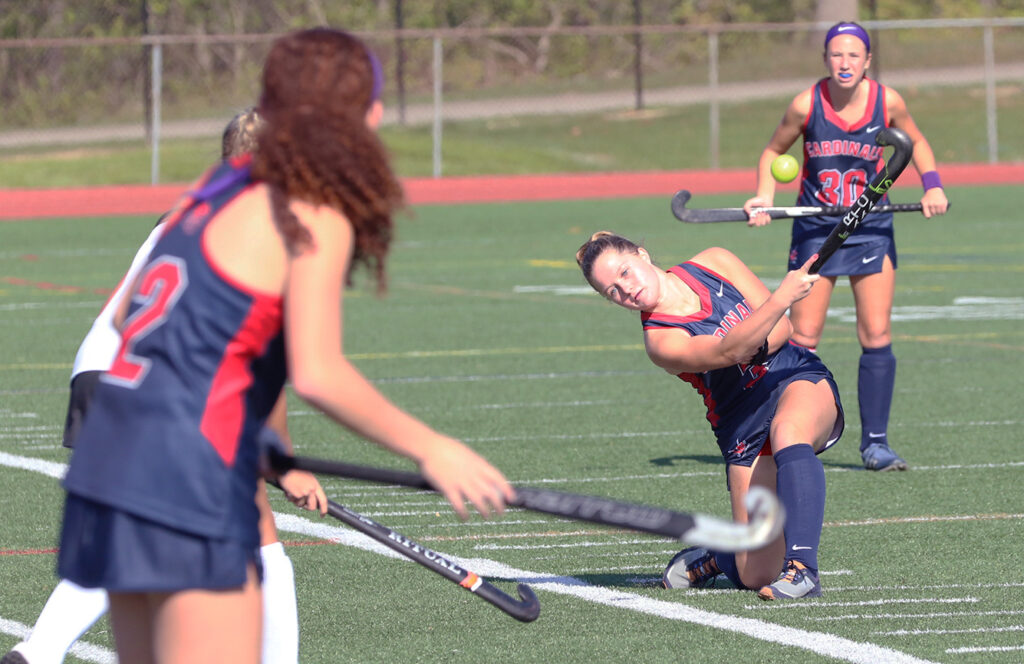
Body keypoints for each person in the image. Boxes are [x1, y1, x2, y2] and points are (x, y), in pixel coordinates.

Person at [53, 28, 515, 664]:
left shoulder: (201, 196)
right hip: (185, 473)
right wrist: (432, 448)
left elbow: (167, 336)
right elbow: (317, 372)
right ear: (369, 116)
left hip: (109, 464)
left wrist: (270, 451)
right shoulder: (307, 210)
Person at [2, 109, 324, 664]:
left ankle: (39, 652)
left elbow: (133, 310)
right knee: (257, 525)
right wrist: (281, 459)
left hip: (102, 366)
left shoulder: (191, 208)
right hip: (161, 383)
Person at [575, 231, 845, 600]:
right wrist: (779, 300)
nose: (627, 290)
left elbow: (784, 328)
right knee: (756, 574)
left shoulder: (715, 260)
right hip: (742, 423)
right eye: (612, 292)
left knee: (788, 431)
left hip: (792, 376)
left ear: (641, 253)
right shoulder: (660, 342)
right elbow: (725, 352)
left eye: (625, 272)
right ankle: (723, 557)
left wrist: (760, 331)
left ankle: (803, 571)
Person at [742, 21, 949, 472]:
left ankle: (876, 444)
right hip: (817, 230)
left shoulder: (887, 100)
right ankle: (793, 435)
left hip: (872, 227)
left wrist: (932, 186)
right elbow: (771, 151)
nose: (845, 63)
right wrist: (764, 196)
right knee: (804, 338)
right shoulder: (806, 104)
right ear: (825, 59)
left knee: (875, 334)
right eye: (837, 54)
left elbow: (917, 144)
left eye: (854, 55)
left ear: (868, 60)